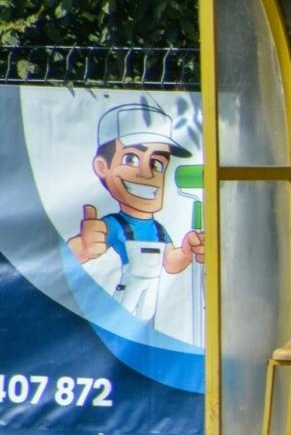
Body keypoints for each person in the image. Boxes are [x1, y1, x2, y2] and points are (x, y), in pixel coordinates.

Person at [67, 101, 205, 322]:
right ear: (103, 167)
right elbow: (66, 257)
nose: (148, 174)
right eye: (131, 159)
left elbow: (170, 262)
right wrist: (81, 248)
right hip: (126, 296)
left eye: (157, 164)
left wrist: (187, 251)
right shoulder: (114, 224)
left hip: (150, 303)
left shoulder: (158, 229)